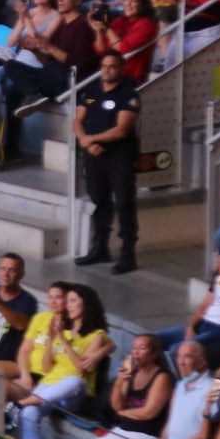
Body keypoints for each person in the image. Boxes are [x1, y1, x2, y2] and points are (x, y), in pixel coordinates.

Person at [76, 48, 142, 272]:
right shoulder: (92, 90)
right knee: (99, 200)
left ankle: (127, 253)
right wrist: (85, 141)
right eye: (104, 66)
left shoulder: (129, 94)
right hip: (94, 155)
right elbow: (78, 120)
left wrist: (90, 139)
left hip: (119, 156)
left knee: (124, 201)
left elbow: (122, 129)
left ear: (121, 69)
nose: (107, 70)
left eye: (112, 66)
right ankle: (100, 247)